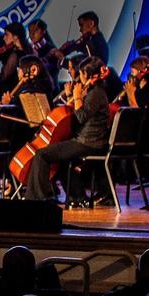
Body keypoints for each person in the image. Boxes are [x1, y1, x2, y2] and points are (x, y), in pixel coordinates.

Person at [24, 56, 111, 207]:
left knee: (42, 154)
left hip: (88, 143)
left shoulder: (96, 93)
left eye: (82, 74)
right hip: (88, 141)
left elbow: (80, 117)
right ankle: (76, 196)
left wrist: (76, 97)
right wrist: (72, 96)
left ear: (89, 76)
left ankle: (38, 199)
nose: (80, 77)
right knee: (60, 158)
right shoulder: (95, 92)